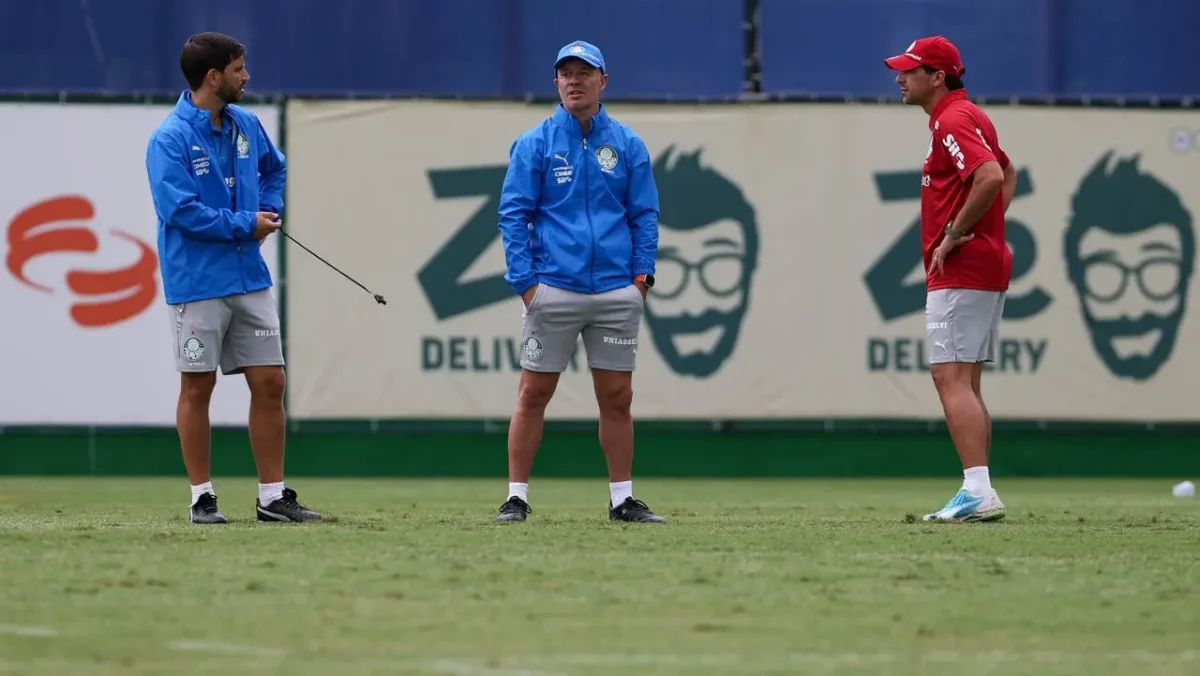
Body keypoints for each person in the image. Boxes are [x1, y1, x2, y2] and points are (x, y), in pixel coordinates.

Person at [145, 32, 321, 524]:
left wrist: (269, 209)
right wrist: (246, 223)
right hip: (197, 282)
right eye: (239, 69)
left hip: (249, 278)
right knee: (197, 388)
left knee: (271, 381)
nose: (247, 76)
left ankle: (272, 498)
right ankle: (201, 497)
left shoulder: (246, 123)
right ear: (213, 76)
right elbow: (179, 211)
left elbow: (274, 169)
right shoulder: (169, 139)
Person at [494, 40, 664, 524]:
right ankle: (516, 498)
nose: (574, 81)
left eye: (584, 72)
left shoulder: (627, 144)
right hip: (553, 288)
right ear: (556, 82)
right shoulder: (536, 143)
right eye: (565, 73)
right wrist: (526, 283)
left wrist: (641, 278)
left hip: (615, 291)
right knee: (533, 395)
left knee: (617, 398)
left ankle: (622, 499)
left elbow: (644, 214)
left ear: (602, 81)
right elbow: (513, 214)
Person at [884, 36, 1018, 522]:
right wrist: (989, 226)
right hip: (981, 265)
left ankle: (977, 490)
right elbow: (1007, 171)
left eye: (910, 71)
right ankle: (979, 488)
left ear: (938, 77)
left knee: (950, 378)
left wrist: (958, 233)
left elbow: (991, 177)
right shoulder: (966, 115)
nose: (900, 79)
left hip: (962, 268)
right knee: (967, 381)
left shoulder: (952, 119)